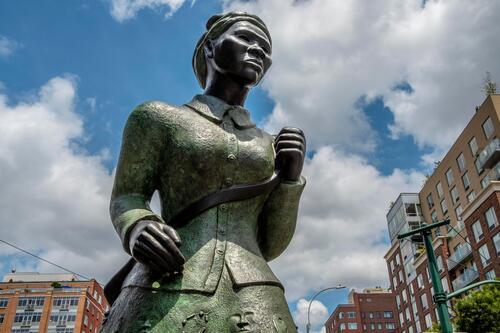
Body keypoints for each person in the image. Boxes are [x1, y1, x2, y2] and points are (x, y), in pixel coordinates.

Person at [101, 12, 306, 333]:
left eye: (265, 48)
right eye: (246, 38)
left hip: (255, 290)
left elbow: (270, 244)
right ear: (209, 47)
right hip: (166, 279)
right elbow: (127, 197)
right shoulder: (157, 118)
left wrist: (290, 181)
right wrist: (138, 227)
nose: (258, 51)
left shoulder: (270, 145)